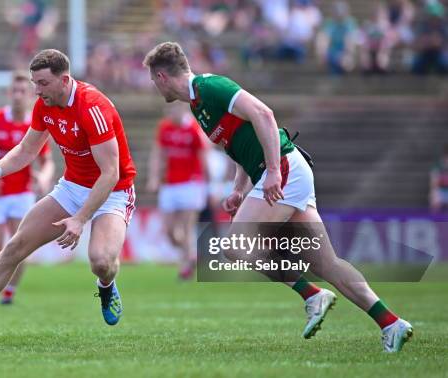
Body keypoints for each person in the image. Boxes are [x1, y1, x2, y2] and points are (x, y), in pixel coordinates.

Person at [142, 41, 413, 352]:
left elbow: (264, 115)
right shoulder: (196, 105)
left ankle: (311, 294)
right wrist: (239, 188)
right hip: (283, 173)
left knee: (235, 245)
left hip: (285, 170)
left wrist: (272, 171)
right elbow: (239, 142)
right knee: (327, 263)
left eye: (153, 79)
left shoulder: (211, 86)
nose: (153, 86)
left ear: (162, 76)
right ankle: (391, 322)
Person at [0, 49, 137, 338]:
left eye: (42, 83)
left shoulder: (93, 107)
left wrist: (79, 219)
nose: (36, 91)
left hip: (113, 191)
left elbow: (110, 173)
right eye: (34, 83)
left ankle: (106, 287)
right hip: (72, 187)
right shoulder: (45, 105)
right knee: (15, 247)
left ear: (64, 80)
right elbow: (28, 149)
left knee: (101, 262)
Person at [0, 71, 54, 305]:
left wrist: (45, 178)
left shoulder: (35, 124)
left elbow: (45, 160)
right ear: (9, 94)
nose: (18, 96)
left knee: (21, 244)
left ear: (31, 95)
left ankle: (9, 293)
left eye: (23, 92)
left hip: (21, 194)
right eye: (14, 91)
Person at [146, 103, 209, 280]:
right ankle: (190, 256)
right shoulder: (165, 127)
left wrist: (209, 185)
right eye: (168, 110)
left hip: (191, 184)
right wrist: (154, 177)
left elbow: (204, 157)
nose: (170, 113)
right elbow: (158, 153)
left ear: (183, 110)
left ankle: (185, 265)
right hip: (170, 184)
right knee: (169, 231)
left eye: (173, 110)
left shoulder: (194, 129)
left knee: (186, 228)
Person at [429, 144, 448, 213]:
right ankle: (435, 219)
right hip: (441, 191)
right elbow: (434, 182)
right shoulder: (438, 165)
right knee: (435, 195)